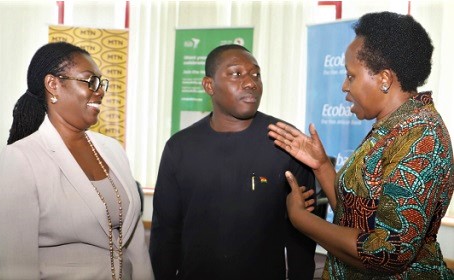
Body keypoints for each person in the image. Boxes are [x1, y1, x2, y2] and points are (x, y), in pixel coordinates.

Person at [268, 11, 454, 279]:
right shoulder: (392, 127)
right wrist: (321, 166)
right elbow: (356, 219)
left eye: (351, 76)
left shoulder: (422, 137)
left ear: (384, 79)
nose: (344, 86)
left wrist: (302, 220)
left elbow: (388, 254)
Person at [149, 44, 316, 280]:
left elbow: (303, 232)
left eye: (256, 74)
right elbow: (165, 231)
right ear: (209, 85)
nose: (250, 83)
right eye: (236, 74)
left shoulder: (286, 142)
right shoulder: (180, 147)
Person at [0, 42, 154, 280]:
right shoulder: (21, 159)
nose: (100, 91)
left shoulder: (112, 151)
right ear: (53, 85)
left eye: (102, 83)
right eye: (90, 81)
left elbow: (136, 248)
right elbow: (17, 270)